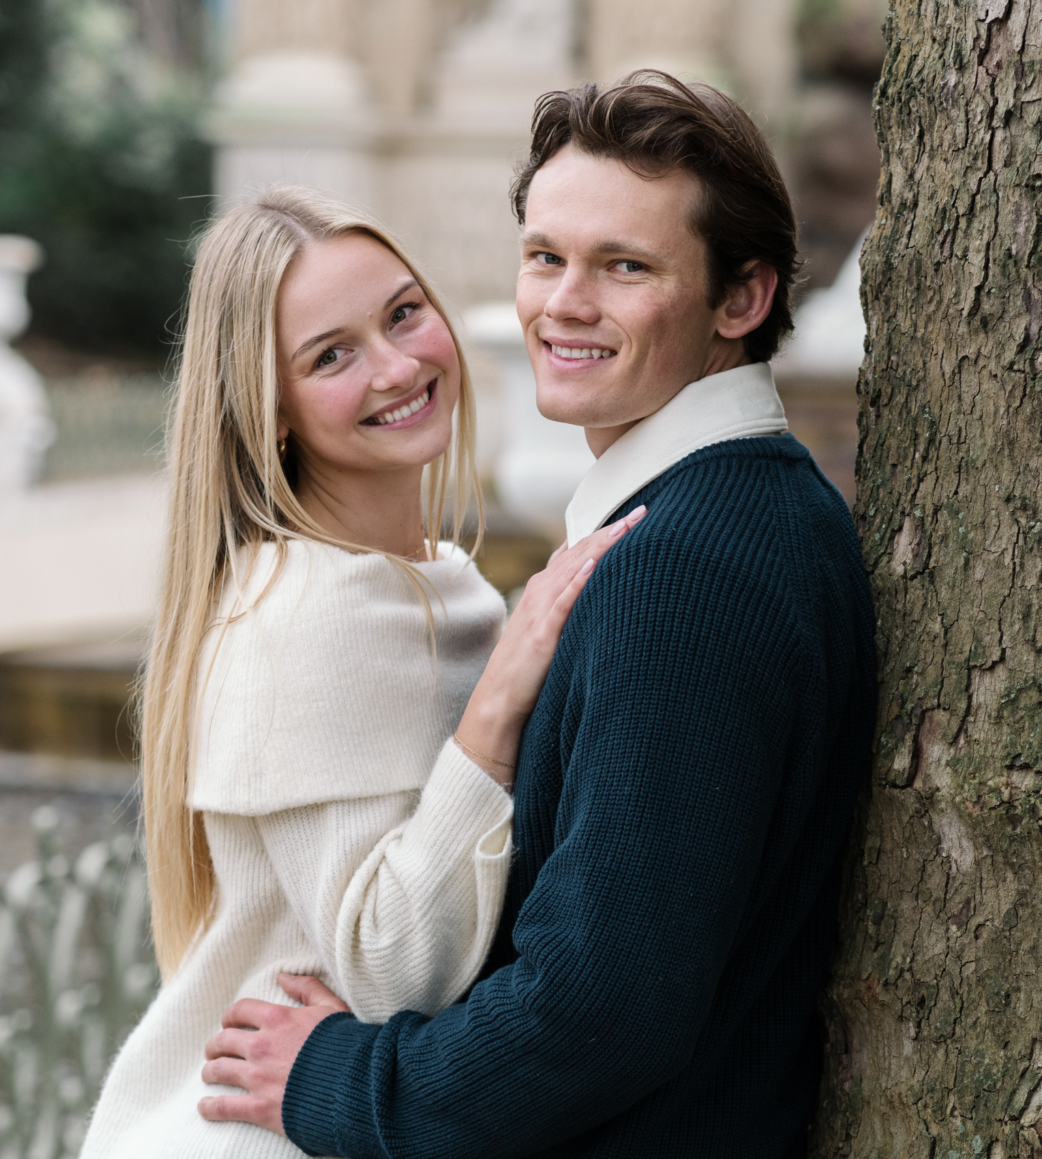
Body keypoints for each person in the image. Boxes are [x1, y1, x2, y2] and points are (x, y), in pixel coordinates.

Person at [199, 73, 878, 1158]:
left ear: (741, 298)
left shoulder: (683, 571)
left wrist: (337, 1079)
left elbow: (597, 1010)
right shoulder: (760, 500)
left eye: (625, 267)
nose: (563, 302)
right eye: (545, 255)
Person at [78, 188, 641, 1159]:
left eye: (402, 313)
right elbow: (387, 973)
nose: (396, 365)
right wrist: (496, 710)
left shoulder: (439, 584)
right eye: (330, 355)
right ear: (272, 409)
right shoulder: (304, 613)